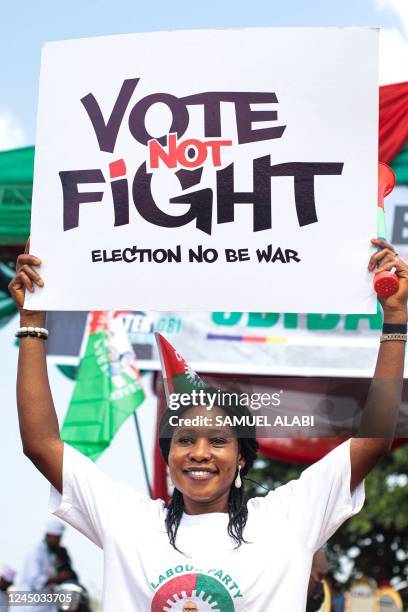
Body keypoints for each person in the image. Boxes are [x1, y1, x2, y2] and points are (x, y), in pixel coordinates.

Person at [9, 238, 408, 611]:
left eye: (218, 440)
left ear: (241, 459)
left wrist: (395, 321)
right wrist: (31, 321)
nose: (200, 452)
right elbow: (42, 445)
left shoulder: (288, 519)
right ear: (169, 455)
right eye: (185, 440)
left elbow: (371, 440)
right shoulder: (127, 521)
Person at [14, 519, 78, 612]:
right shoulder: (36, 553)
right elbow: (36, 581)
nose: (59, 542)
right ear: (48, 536)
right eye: (57, 538)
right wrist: (59, 578)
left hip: (44, 605)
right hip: (29, 606)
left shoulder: (51, 554)